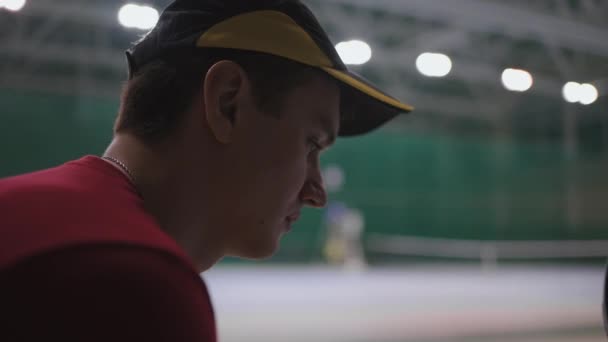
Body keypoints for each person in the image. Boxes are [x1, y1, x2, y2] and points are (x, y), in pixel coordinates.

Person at [0, 0, 413, 341]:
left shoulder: (28, 214)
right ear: (227, 103)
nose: (317, 191)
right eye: (311, 144)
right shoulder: (130, 285)